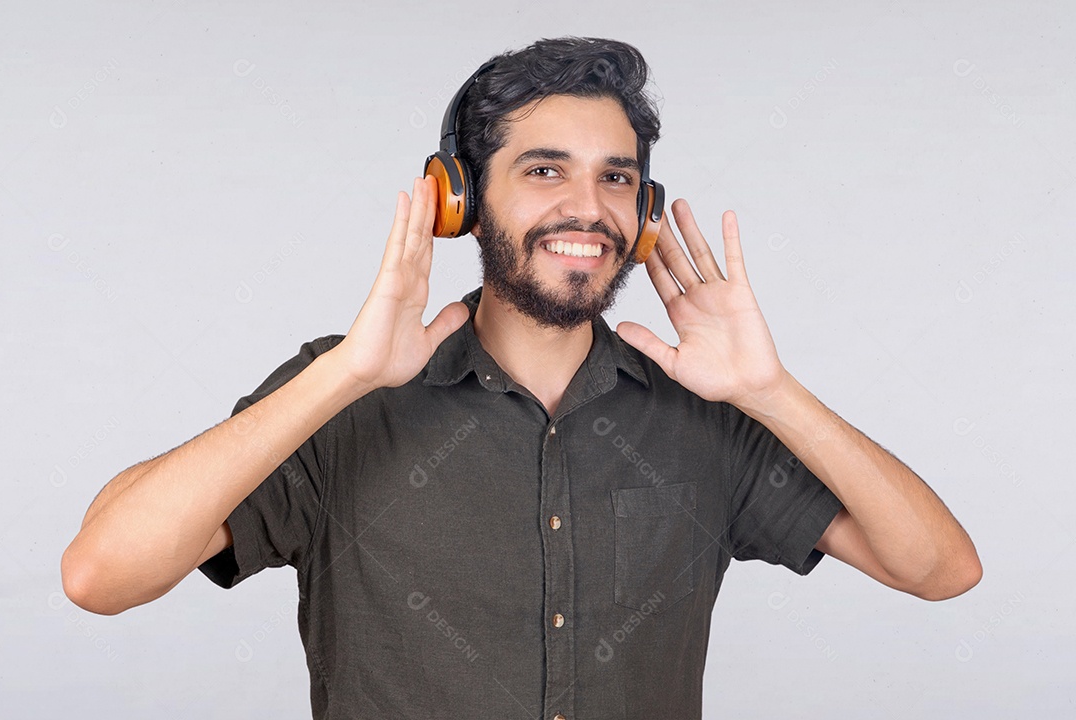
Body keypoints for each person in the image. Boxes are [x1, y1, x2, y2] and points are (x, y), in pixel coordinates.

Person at [62, 36, 981, 718]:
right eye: (545, 170)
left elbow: (941, 569)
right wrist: (343, 374)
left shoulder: (705, 415)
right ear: (458, 198)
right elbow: (100, 574)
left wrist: (770, 391)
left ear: (645, 212)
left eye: (618, 179)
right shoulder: (346, 398)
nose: (588, 207)